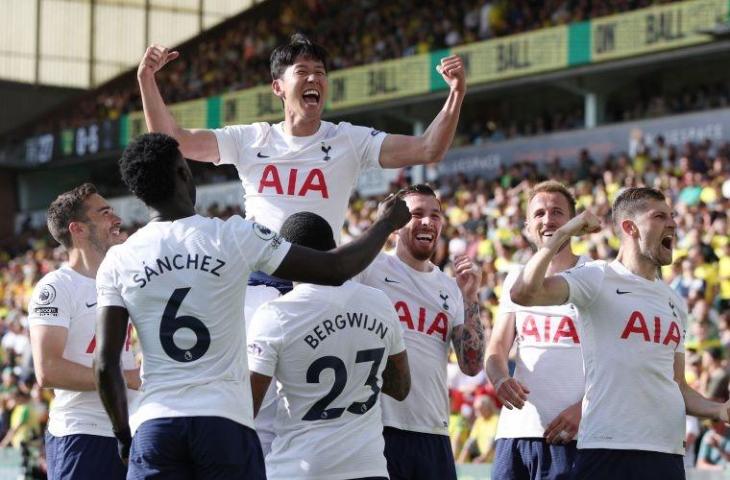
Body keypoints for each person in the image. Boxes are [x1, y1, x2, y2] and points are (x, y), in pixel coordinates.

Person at [139, 33, 465, 452]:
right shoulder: (251, 139)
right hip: (258, 285)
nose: (315, 79)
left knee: (311, 413)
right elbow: (175, 143)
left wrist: (456, 93)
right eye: (303, 72)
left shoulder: (349, 139)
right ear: (278, 86)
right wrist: (148, 78)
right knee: (250, 408)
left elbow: (427, 147)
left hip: (321, 284)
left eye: (321, 73)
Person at [92, 133, 410, 479]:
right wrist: (385, 225)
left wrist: (123, 434)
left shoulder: (118, 260)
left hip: (156, 424)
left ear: (139, 194)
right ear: (184, 173)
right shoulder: (233, 236)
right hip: (224, 422)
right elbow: (334, 270)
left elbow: (105, 363)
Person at [510, 186, 730, 480]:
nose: (673, 224)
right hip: (609, 451)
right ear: (630, 227)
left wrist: (718, 410)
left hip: (666, 453)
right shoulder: (597, 277)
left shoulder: (675, 300)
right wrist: (563, 233)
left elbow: (677, 385)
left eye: (672, 217)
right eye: (660, 216)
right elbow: (524, 293)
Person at [247, 211, 410, 480]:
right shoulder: (379, 303)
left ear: (286, 257)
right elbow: (401, 388)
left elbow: (247, 407)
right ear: (335, 248)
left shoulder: (276, 314)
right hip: (368, 468)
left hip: (300, 468)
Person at [356, 184, 485, 480]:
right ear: (397, 225)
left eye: (435, 215)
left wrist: (470, 298)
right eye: (416, 214)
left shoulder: (451, 288)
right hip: (377, 425)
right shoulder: (370, 266)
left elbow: (471, 364)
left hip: (433, 430)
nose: (427, 222)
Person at [27, 183, 139, 479]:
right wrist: (127, 378)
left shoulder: (124, 279)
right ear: (78, 229)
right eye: (105, 213)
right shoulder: (56, 287)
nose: (116, 219)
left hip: (133, 428)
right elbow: (48, 371)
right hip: (82, 436)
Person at [486, 181, 588, 479]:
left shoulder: (595, 274)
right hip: (516, 432)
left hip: (573, 435)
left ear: (573, 220)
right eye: (539, 213)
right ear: (527, 225)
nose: (548, 220)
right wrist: (500, 378)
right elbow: (496, 349)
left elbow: (615, 363)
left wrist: (585, 409)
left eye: (557, 212)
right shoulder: (515, 278)